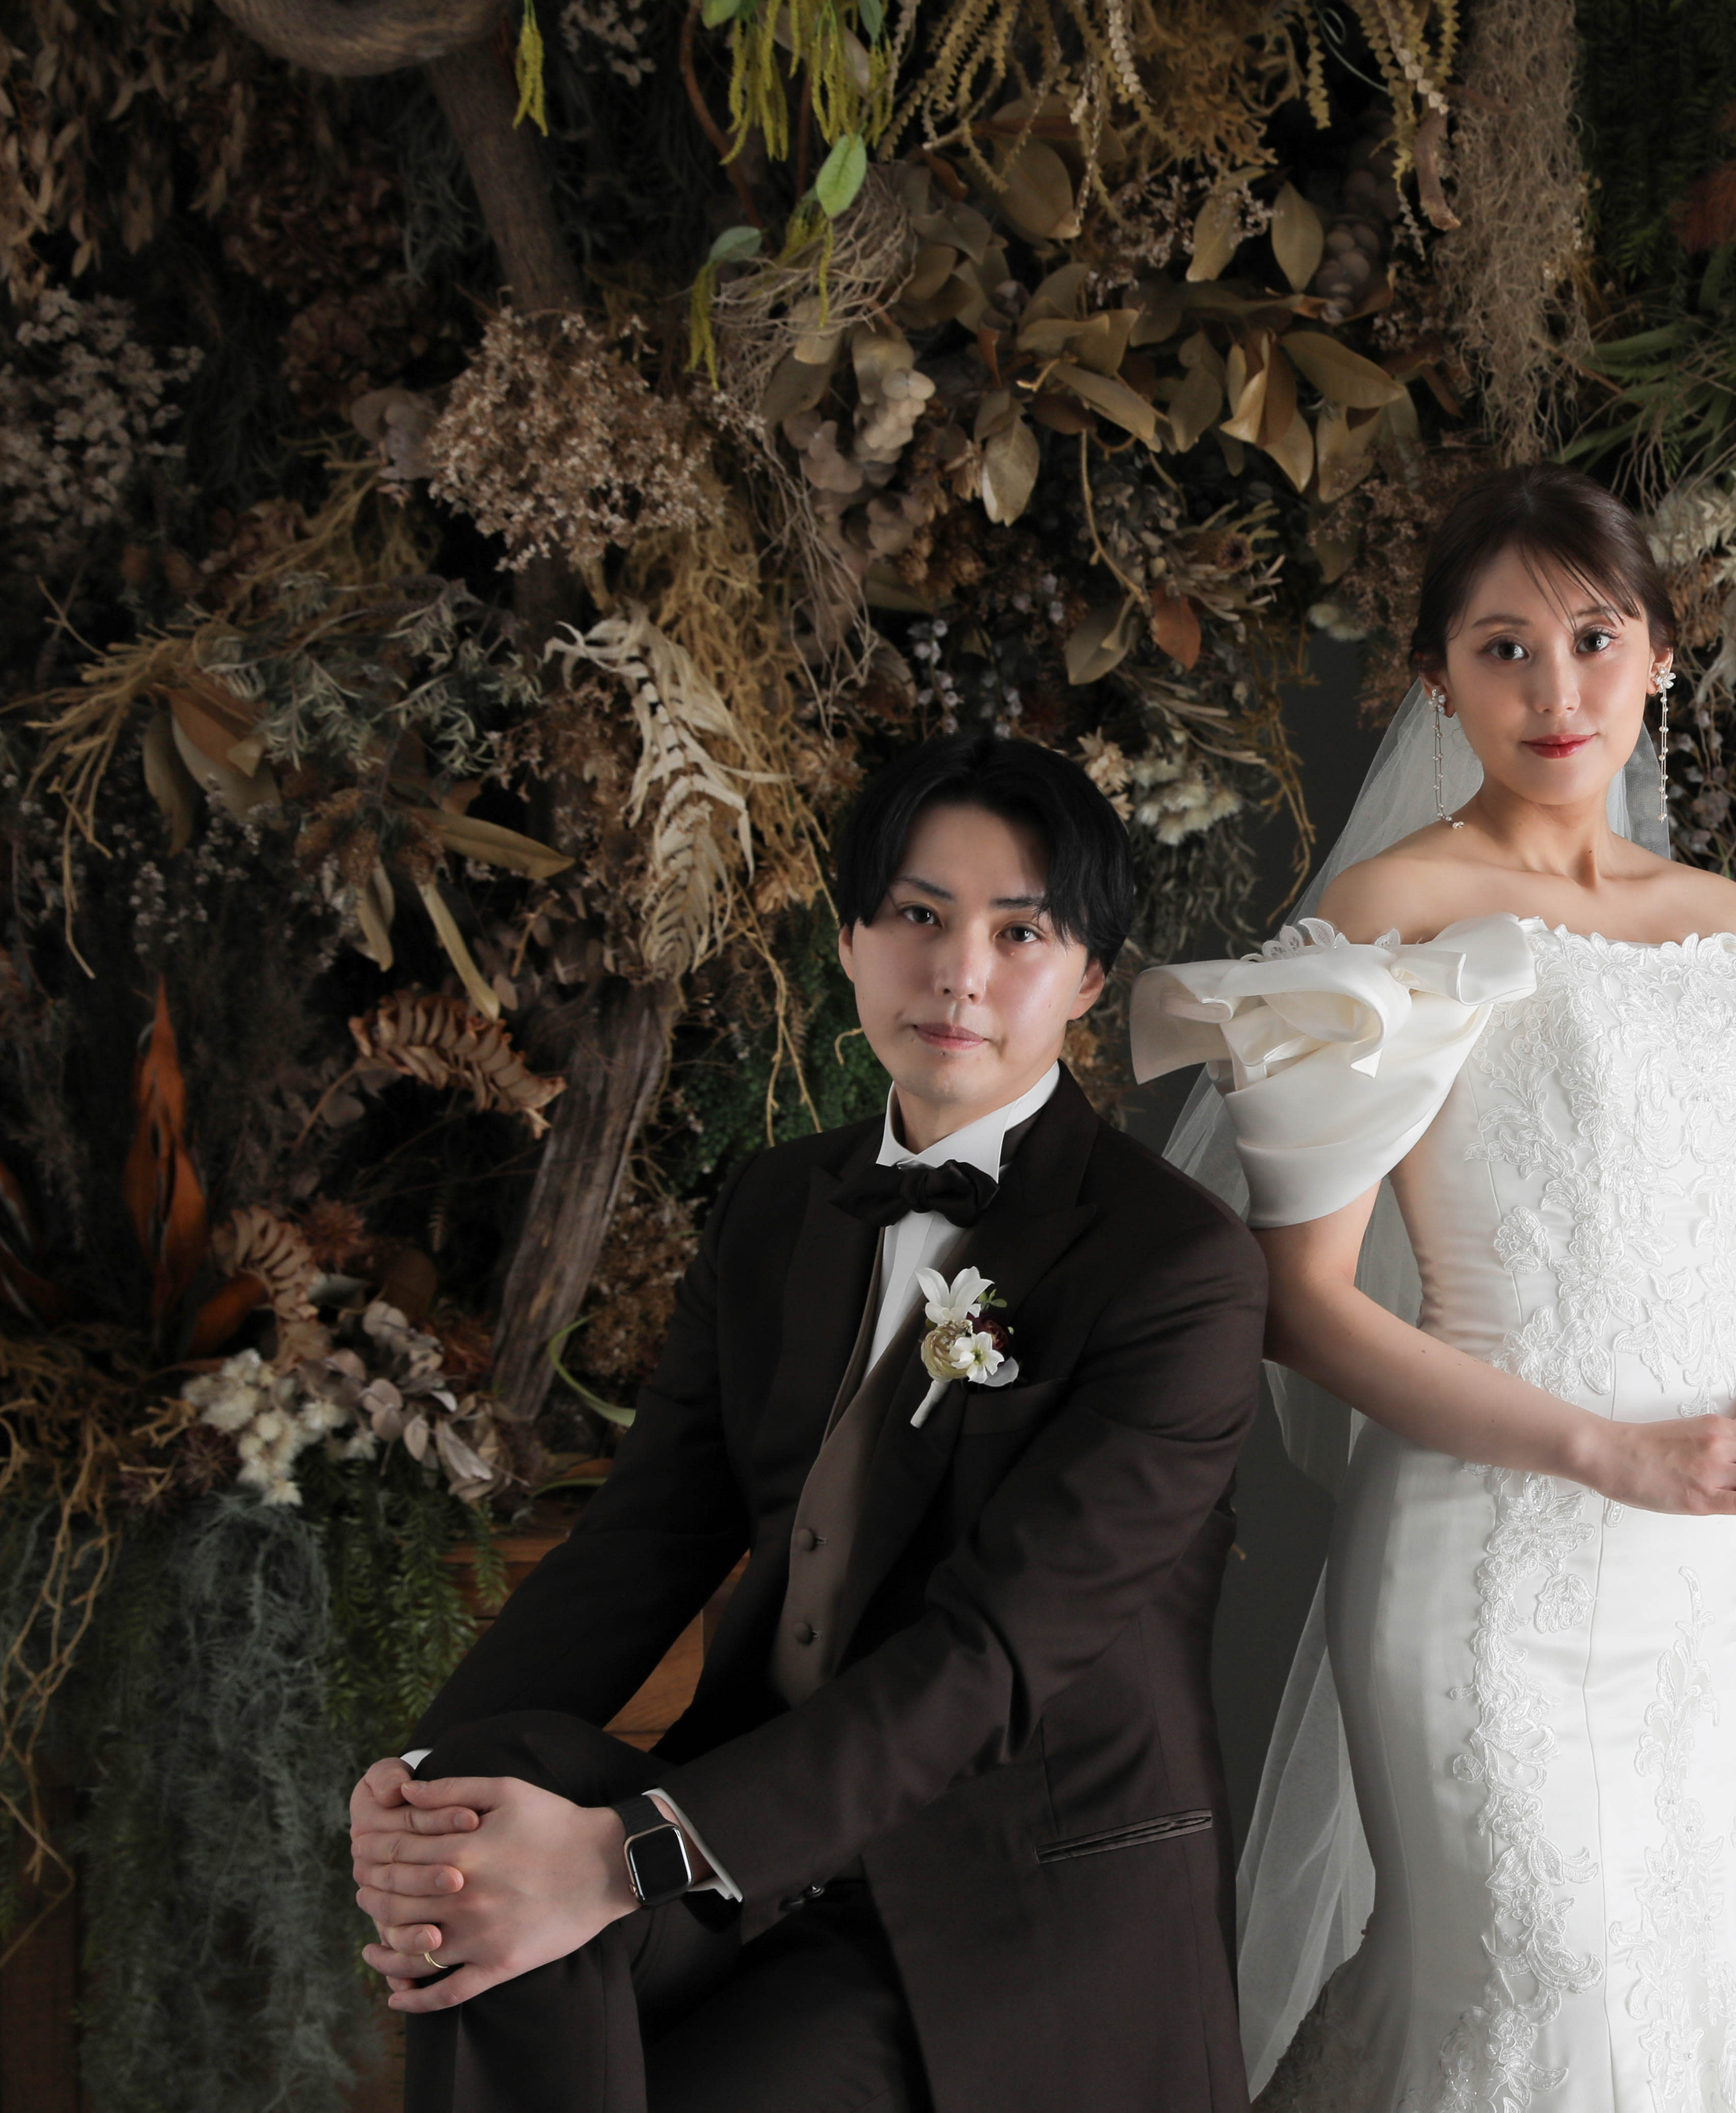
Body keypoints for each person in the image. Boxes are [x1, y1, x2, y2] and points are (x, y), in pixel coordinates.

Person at [346, 732, 1267, 2113]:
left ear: (1087, 978)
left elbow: (987, 1660)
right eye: (918, 915)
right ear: (849, 942)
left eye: (1018, 931)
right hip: (754, 1839)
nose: (959, 971)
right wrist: (411, 1787)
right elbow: (646, 1535)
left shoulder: (1175, 1266)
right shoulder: (778, 1205)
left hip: (999, 1893)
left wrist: (625, 1857)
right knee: (479, 1797)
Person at [1134, 463, 1736, 2110]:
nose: (1557, 692)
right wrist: (1614, 1451)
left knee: (1679, 1993)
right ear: (1436, 677)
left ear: (1661, 656)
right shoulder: (1390, 917)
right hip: (1488, 1565)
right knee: (1530, 1991)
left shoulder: (1731, 931)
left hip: (1696, 1570)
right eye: (1503, 649)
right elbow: (1303, 1304)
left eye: (1594, 639)